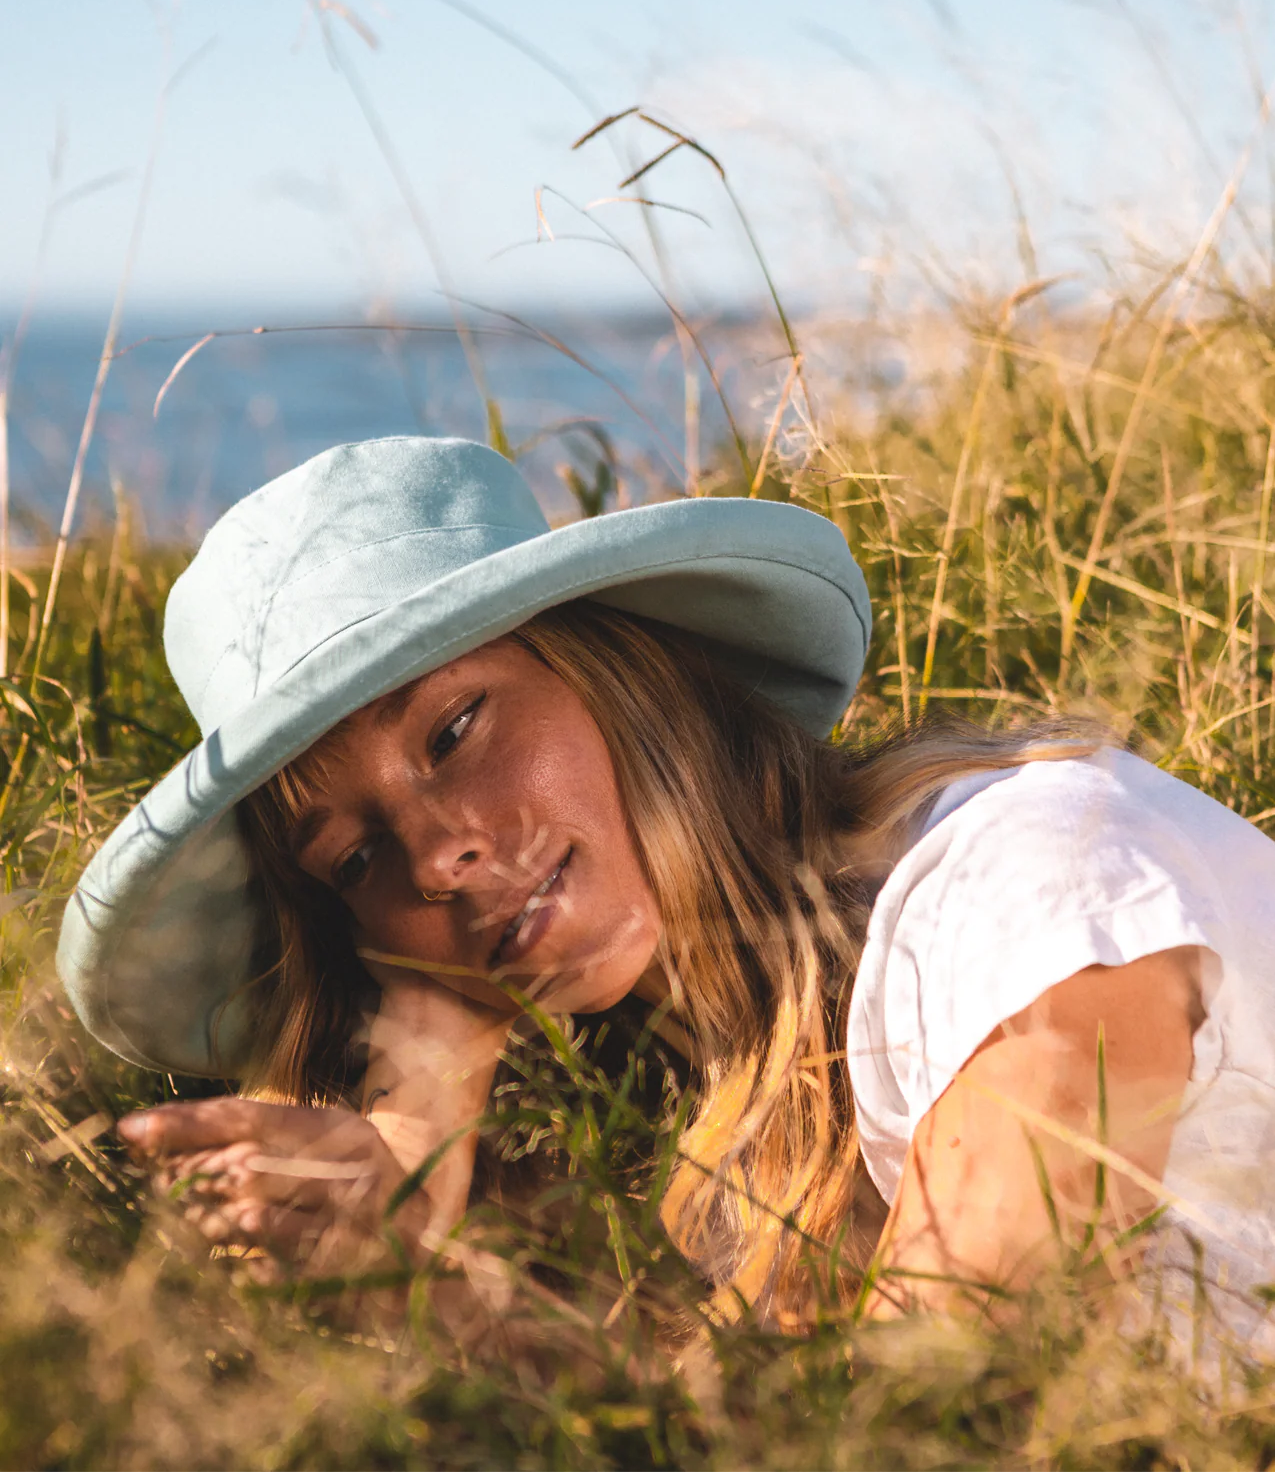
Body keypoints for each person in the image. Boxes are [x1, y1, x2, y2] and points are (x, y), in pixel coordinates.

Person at [59, 436, 1275, 1346]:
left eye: (456, 728)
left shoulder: (1031, 884)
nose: (435, 860)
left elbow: (945, 1413)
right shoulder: (707, 1103)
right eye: (356, 860)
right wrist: (420, 1239)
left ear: (622, 672)